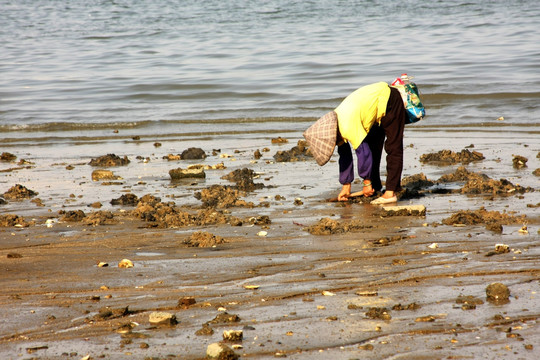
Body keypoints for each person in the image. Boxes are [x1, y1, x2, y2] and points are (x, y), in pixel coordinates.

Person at [303, 81, 407, 204]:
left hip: (389, 99)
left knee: (392, 147)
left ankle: (390, 192)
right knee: (374, 147)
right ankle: (376, 187)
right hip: (372, 109)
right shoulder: (337, 126)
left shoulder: (347, 126)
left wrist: (366, 182)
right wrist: (346, 186)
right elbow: (345, 156)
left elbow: (363, 153)